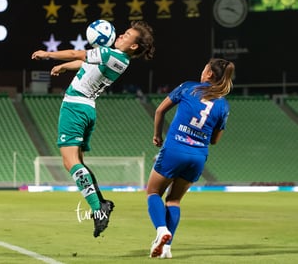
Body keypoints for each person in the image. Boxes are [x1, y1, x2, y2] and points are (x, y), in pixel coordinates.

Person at [32, 20, 155, 237]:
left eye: (127, 35)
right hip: (89, 109)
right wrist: (63, 67)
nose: (121, 35)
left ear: (134, 46)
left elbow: (75, 54)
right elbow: (84, 64)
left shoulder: (109, 54)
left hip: (75, 107)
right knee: (79, 162)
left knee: (70, 162)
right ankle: (101, 202)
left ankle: (98, 210)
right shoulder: (119, 60)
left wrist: (47, 54)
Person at [147, 58, 234, 258]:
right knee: (174, 200)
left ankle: (161, 230)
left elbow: (160, 110)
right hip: (198, 156)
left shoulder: (188, 88)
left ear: (210, 74)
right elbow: (215, 140)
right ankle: (167, 249)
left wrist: (157, 135)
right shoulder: (223, 105)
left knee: (153, 192)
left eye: (204, 68)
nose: (202, 71)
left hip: (175, 149)